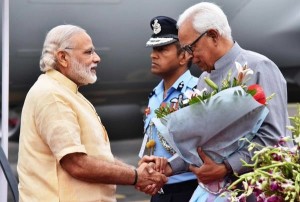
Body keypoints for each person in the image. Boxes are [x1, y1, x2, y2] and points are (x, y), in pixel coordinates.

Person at [17, 24, 167, 202]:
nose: (97, 58)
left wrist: (134, 173)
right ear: (63, 58)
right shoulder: (52, 96)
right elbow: (77, 164)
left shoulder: (68, 93)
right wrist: (135, 176)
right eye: (88, 52)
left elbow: (97, 156)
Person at [175, 2, 292, 201]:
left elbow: (274, 137)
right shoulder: (204, 80)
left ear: (213, 35)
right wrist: (165, 165)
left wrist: (227, 167)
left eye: (191, 47)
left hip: (258, 190)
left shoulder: (259, 67)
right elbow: (200, 143)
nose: (189, 57)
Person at [138, 16, 199, 202]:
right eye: (154, 49)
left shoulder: (197, 92)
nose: (153, 55)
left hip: (187, 190)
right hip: (159, 192)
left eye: (162, 49)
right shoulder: (155, 95)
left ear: (184, 56)